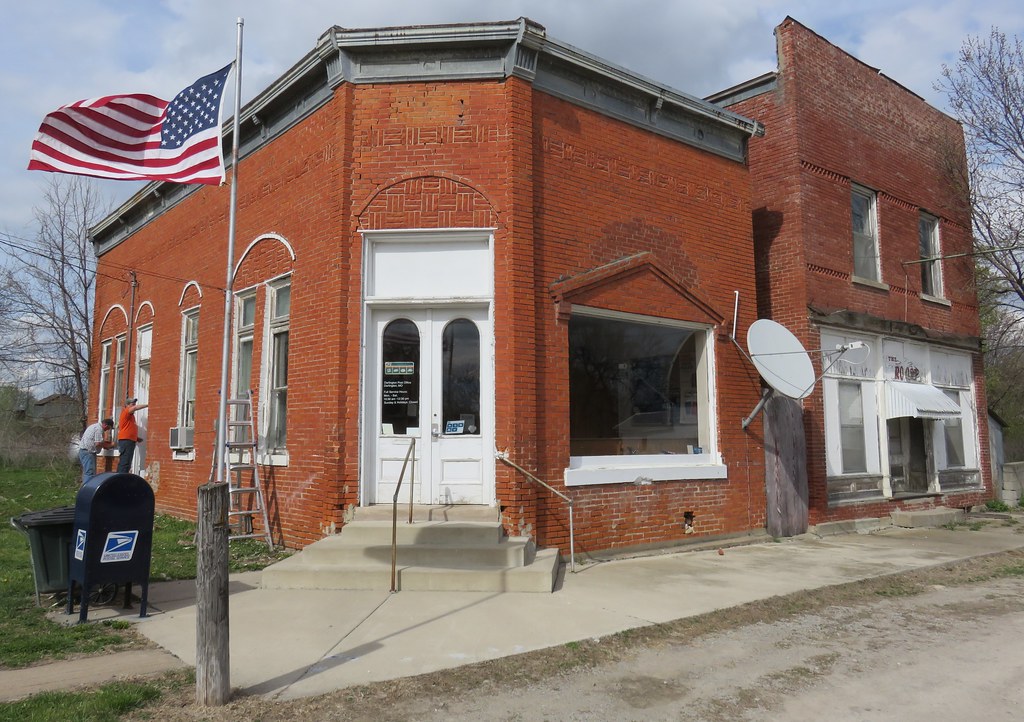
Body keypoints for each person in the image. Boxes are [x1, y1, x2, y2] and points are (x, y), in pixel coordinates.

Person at [117, 397, 149, 473]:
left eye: (135, 404)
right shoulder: (125, 412)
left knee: (127, 462)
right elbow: (135, 408)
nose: (134, 405)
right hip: (126, 441)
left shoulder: (131, 417)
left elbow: (128, 428)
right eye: (132, 404)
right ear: (127, 405)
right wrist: (148, 405)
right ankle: (121, 478)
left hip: (129, 440)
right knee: (125, 462)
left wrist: (136, 438)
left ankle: (122, 476)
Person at [79, 417, 115, 484]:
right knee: (90, 473)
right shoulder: (99, 429)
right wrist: (109, 445)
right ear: (105, 425)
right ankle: (87, 488)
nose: (107, 430)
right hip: (88, 453)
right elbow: (98, 443)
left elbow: (97, 442)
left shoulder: (94, 426)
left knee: (88, 472)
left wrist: (104, 445)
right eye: (108, 428)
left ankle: (86, 487)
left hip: (85, 451)